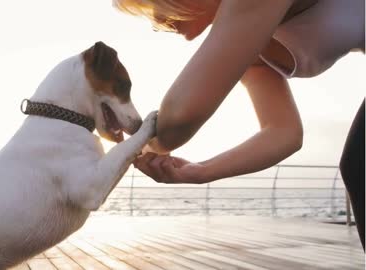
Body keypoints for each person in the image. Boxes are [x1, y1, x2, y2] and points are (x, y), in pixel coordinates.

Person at [112, 0, 365, 249]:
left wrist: (135, 143)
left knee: (360, 164)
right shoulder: (250, 46)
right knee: (358, 166)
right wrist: (201, 171)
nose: (155, 20)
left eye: (155, 4)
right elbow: (283, 133)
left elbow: (180, 117)